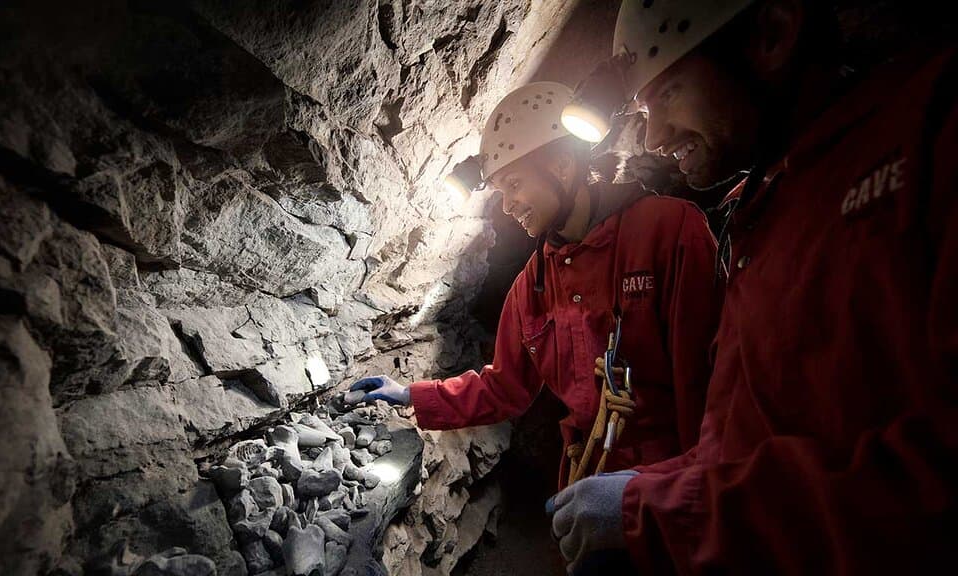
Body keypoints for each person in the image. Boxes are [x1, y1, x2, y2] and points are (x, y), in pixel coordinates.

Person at [547, 0, 958, 573]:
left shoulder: (933, 130)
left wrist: (664, 511)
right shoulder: (761, 212)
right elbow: (748, 441)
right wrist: (655, 486)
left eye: (666, 95)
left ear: (772, 34)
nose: (656, 136)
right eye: (643, 108)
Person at [349, 82, 723, 491]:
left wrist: (687, 497)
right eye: (500, 192)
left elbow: (709, 389)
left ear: (562, 165)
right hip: (589, 478)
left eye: (513, 184)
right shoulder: (532, 288)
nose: (508, 207)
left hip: (672, 485)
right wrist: (411, 395)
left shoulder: (668, 231)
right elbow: (504, 387)